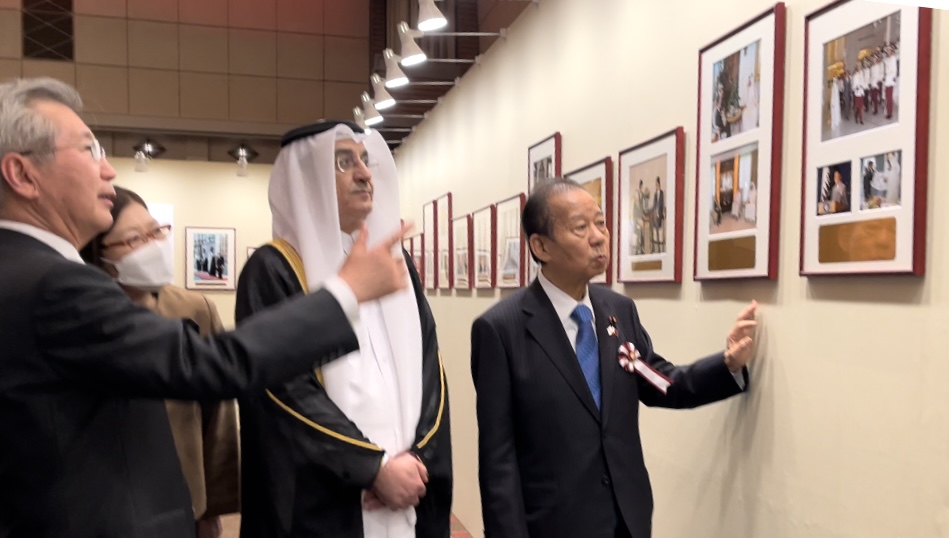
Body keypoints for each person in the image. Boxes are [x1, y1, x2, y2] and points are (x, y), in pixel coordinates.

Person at [0, 77, 410, 538]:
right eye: (88, 150)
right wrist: (346, 294)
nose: (109, 170)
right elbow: (209, 365)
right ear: (22, 174)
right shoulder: (52, 284)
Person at [471, 178, 757, 538]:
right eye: (580, 227)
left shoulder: (618, 312)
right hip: (553, 527)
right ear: (540, 246)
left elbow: (659, 382)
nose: (598, 236)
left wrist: (727, 364)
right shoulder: (501, 330)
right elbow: (498, 462)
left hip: (627, 520)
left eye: (600, 222)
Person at [235, 121, 451, 538]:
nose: (364, 173)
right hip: (328, 502)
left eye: (365, 160)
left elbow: (431, 372)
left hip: (406, 492)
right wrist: (372, 469)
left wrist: (416, 461)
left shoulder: (394, 263)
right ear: (308, 179)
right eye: (343, 162)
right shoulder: (274, 269)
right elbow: (285, 391)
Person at [79, 186, 240, 538]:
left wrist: (215, 506)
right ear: (99, 253)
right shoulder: (81, 315)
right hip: (105, 505)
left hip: (184, 499)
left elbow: (218, 416)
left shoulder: (192, 309)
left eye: (156, 231)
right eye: (135, 239)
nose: (152, 245)